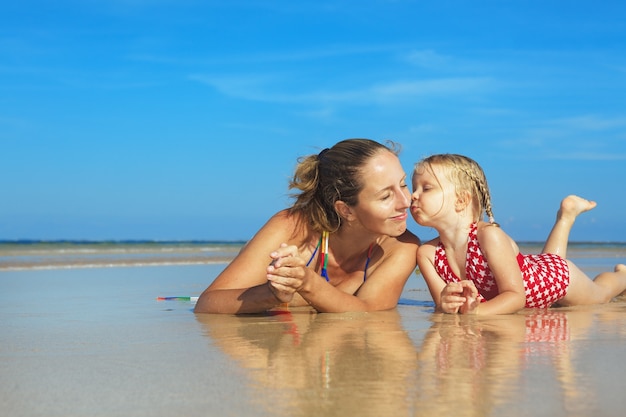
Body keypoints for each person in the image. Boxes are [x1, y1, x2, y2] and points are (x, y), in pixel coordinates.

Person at [194, 138, 420, 314]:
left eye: (403, 185)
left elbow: (369, 310)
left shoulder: (402, 246)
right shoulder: (292, 227)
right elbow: (208, 303)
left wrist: (307, 283)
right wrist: (272, 293)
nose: (406, 201)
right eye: (385, 196)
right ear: (346, 210)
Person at [410, 153, 626, 315]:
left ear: (461, 200)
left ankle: (622, 276)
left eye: (426, 188)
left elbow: (515, 296)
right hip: (535, 271)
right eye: (414, 188)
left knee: (600, 294)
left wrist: (476, 313)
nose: (413, 195)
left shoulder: (488, 237)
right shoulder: (427, 254)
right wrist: (446, 303)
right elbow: (441, 303)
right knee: (546, 263)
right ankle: (566, 216)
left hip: (558, 279)